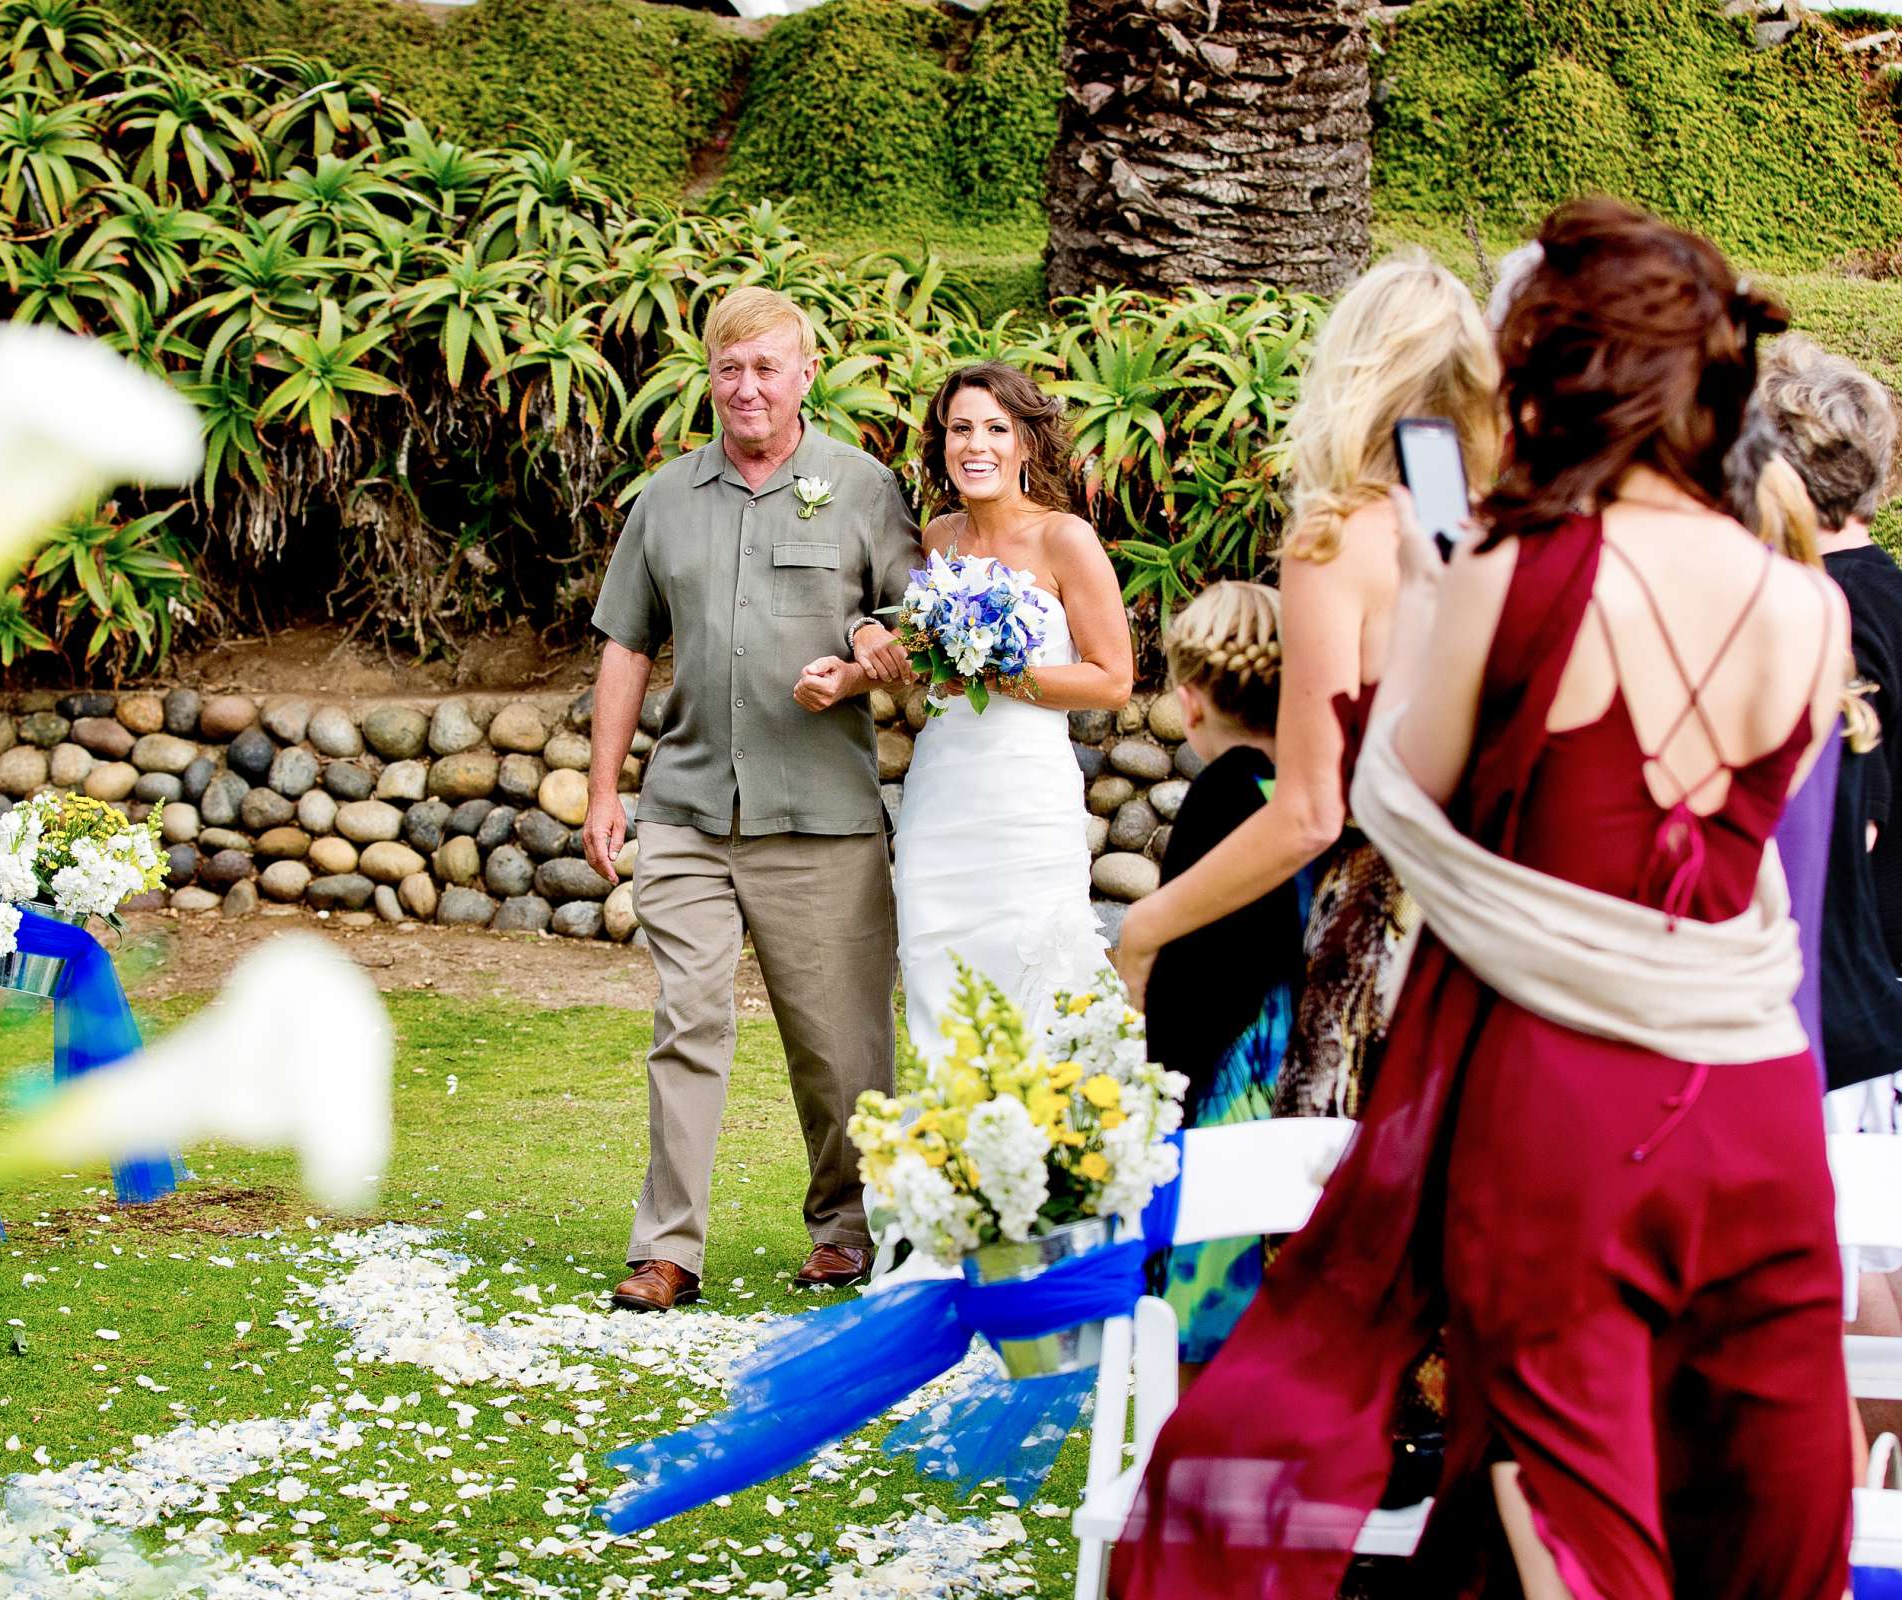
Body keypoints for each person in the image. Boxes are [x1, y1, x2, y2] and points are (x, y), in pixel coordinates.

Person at [1116, 197, 1851, 1600]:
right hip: (1755, 1094)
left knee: (1565, 1489)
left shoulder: (1501, 576)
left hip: (1562, 1097)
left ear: (1557, 377)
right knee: (1769, 1498)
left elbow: (1400, 804)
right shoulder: (1800, 602)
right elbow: (1726, 851)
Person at [582, 285, 919, 1311]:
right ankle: (668, 1249)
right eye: (729, 369)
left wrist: (861, 667)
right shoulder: (665, 500)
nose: (747, 387)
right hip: (686, 807)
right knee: (688, 1017)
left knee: (840, 1039)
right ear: (709, 378)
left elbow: (917, 636)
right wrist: (605, 787)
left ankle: (847, 1227)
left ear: (807, 374)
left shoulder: (863, 488)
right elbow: (625, 642)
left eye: (767, 367)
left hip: (823, 815)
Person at [1110, 255, 1504, 1130]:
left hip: (1379, 922)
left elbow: (1309, 812)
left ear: (1351, 373)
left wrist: (1147, 930)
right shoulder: (1514, 528)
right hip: (1502, 922)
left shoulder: (1336, 539)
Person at [1726, 334, 1902, 1454]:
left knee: (1852, 1308)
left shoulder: (1814, 617)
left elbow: (1854, 823)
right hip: (1879, 993)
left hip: (1839, 1006)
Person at [868, 361, 1132, 1056]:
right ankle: (956, 1151)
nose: (975, 445)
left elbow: (1112, 680)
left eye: (995, 428)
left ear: (1024, 444)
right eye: (960, 429)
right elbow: (922, 649)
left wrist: (998, 673)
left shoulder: (1064, 539)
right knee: (936, 967)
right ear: (943, 442)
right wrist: (868, 644)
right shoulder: (938, 537)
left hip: (1025, 798)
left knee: (1037, 977)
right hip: (943, 793)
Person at [1144, 581, 1302, 1368]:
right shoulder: (1315, 788)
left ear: (1191, 700)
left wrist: (1157, 1093)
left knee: (1209, 1305)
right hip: (1308, 1057)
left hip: (1234, 1074)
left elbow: (1186, 967)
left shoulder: (1223, 792)